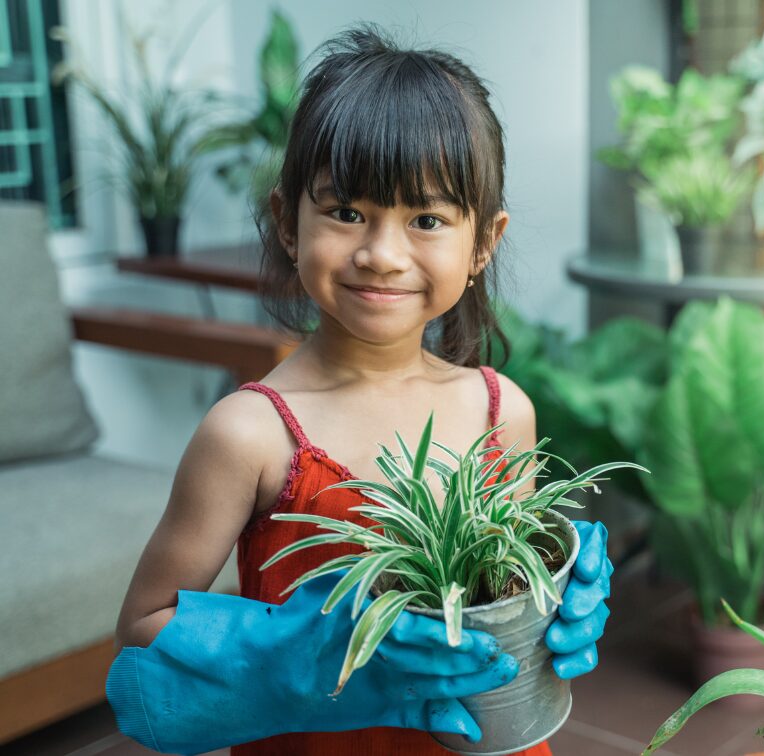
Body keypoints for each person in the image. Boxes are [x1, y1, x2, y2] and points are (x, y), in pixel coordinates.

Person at [106, 24, 613, 756]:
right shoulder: (251, 434)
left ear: (483, 244)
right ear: (288, 221)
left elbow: (512, 595)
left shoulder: (503, 411)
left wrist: (562, 595)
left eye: (427, 219)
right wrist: (307, 655)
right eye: (347, 212)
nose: (380, 254)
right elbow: (144, 626)